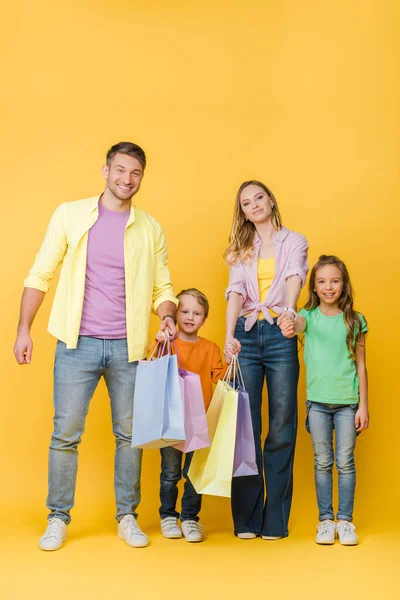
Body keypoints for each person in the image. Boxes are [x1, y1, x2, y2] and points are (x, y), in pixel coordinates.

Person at [13, 141, 178, 551]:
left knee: (130, 435)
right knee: (65, 433)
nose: (127, 179)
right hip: (77, 344)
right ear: (105, 170)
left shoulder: (150, 228)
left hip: (129, 348)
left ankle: (127, 516)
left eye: (135, 173)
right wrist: (23, 329)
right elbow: (40, 272)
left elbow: (163, 287)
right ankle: (57, 517)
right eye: (120, 170)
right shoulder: (69, 214)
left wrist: (169, 315)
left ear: (142, 177)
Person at [224, 180, 308, 540]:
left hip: (279, 333)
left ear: (271, 201)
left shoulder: (295, 241)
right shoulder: (240, 250)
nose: (254, 205)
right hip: (246, 333)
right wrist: (229, 334)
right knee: (245, 427)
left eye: (259, 197)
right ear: (243, 212)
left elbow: (294, 277)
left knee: (281, 425)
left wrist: (289, 312)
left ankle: (275, 519)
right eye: (246, 203)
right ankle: (246, 519)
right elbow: (235, 292)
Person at [279, 255, 368, 545]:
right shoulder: (309, 317)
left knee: (345, 463)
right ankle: (325, 521)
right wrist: (289, 319)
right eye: (321, 281)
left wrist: (363, 406)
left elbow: (361, 366)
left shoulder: (355, 320)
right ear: (314, 287)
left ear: (344, 285)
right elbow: (297, 323)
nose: (328, 286)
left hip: (347, 404)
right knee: (322, 462)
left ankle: (345, 521)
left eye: (335, 280)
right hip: (317, 404)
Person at [153, 288, 227, 542]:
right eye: (184, 311)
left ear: (204, 319)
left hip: (199, 422)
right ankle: (168, 516)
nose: (190, 317)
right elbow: (153, 367)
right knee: (170, 472)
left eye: (197, 313)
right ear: (174, 314)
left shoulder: (210, 348)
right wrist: (161, 341)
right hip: (172, 420)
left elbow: (222, 378)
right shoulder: (166, 343)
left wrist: (232, 357)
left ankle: (190, 518)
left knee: (195, 474)